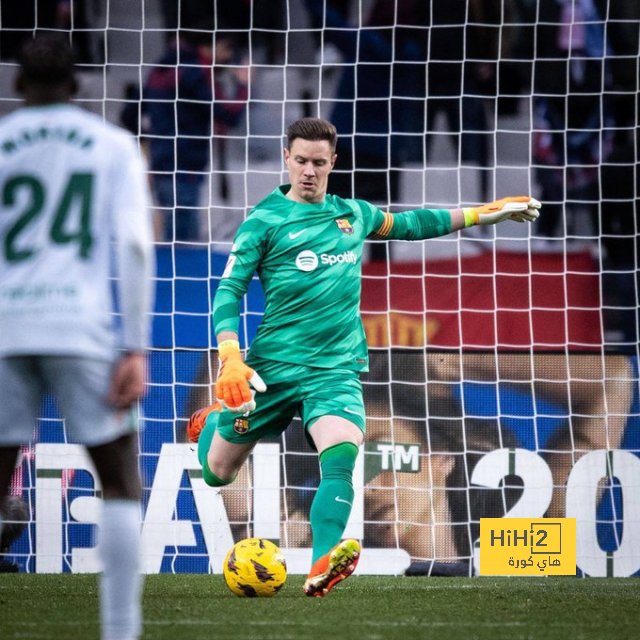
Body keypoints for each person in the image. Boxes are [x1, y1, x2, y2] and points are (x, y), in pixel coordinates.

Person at [188, 116, 540, 596]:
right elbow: (229, 291)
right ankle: (213, 424)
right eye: (300, 161)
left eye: (318, 162)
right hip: (273, 371)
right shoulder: (263, 222)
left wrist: (484, 214)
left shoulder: (354, 215)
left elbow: (415, 225)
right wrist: (230, 354)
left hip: (335, 371)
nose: (309, 171)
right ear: (286, 159)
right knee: (218, 472)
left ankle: (322, 564)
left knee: (341, 453)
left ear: (333, 163)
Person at [0, 34, 155, 640]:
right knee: (117, 480)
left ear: (17, 85)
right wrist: (135, 344)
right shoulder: (112, 145)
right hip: (81, 327)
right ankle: (122, 631)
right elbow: (137, 246)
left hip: (7, 326)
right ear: (78, 85)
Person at [138, 26, 249, 242]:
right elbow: (229, 114)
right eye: (226, 49)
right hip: (184, 167)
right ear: (207, 46)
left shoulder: (159, 70)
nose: (228, 57)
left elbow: (129, 113)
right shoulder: (197, 71)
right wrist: (243, 85)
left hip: (160, 165)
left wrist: (150, 145)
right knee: (183, 249)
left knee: (170, 243)